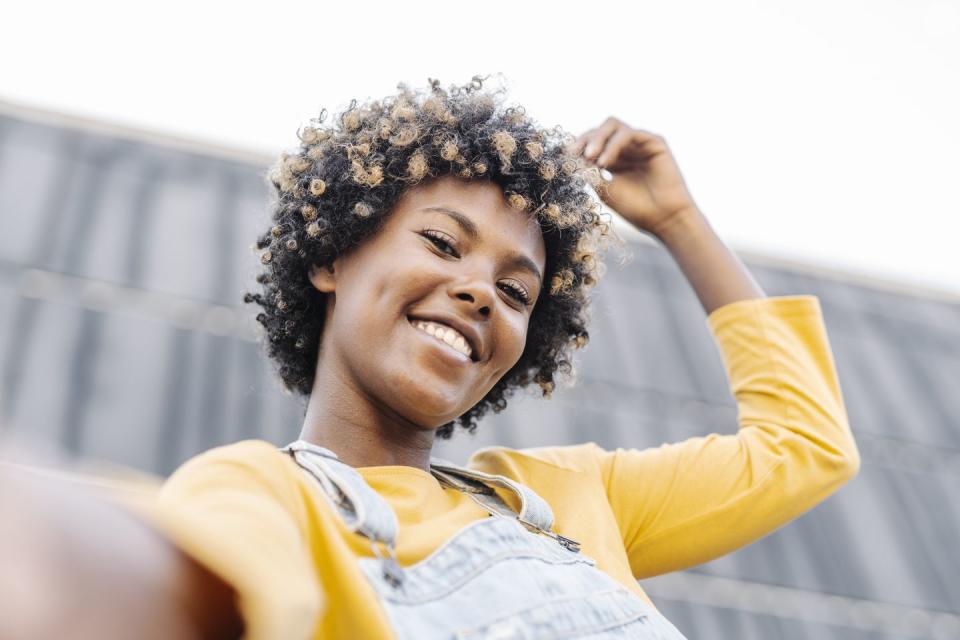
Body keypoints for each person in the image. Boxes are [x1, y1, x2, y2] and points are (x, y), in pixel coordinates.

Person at [0, 76, 860, 639]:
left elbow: (806, 450)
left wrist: (679, 221)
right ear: (331, 255)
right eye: (444, 243)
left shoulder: (569, 496)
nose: (482, 291)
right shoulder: (262, 491)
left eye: (517, 291)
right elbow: (188, 584)